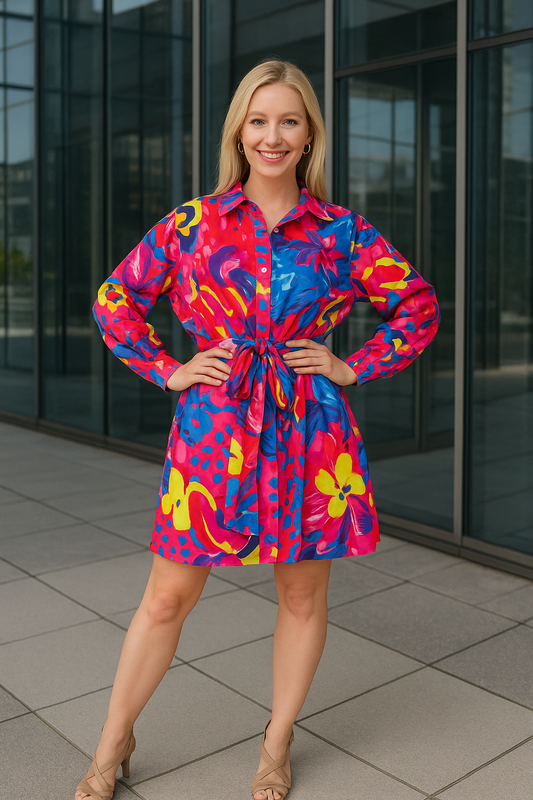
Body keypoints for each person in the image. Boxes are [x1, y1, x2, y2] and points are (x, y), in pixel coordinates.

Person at [76, 59, 439, 800]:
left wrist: (351, 367)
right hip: (215, 430)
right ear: (238, 132)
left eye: (289, 121)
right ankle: (112, 742)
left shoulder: (342, 231)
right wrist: (167, 369)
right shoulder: (191, 224)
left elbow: (418, 306)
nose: (272, 136)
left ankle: (276, 744)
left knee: (302, 597)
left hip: (311, 430)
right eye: (258, 120)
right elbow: (116, 301)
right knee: (166, 598)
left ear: (309, 137)